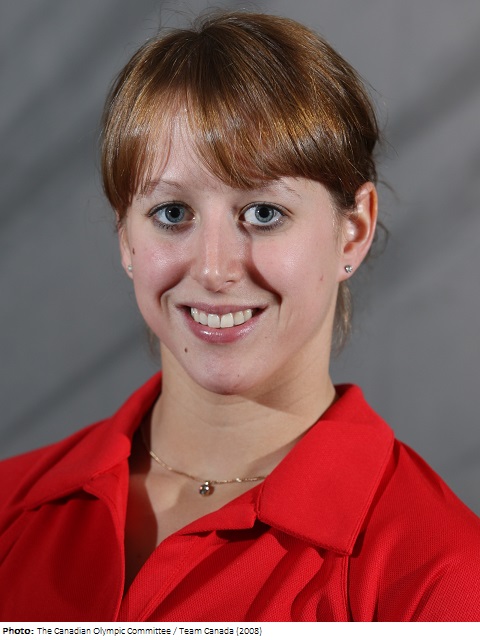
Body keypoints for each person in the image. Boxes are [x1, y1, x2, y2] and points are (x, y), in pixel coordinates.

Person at [0, 11, 479, 623]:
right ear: (125, 236)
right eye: (173, 213)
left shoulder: (443, 578)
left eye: (263, 213)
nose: (214, 268)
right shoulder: (11, 507)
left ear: (353, 231)